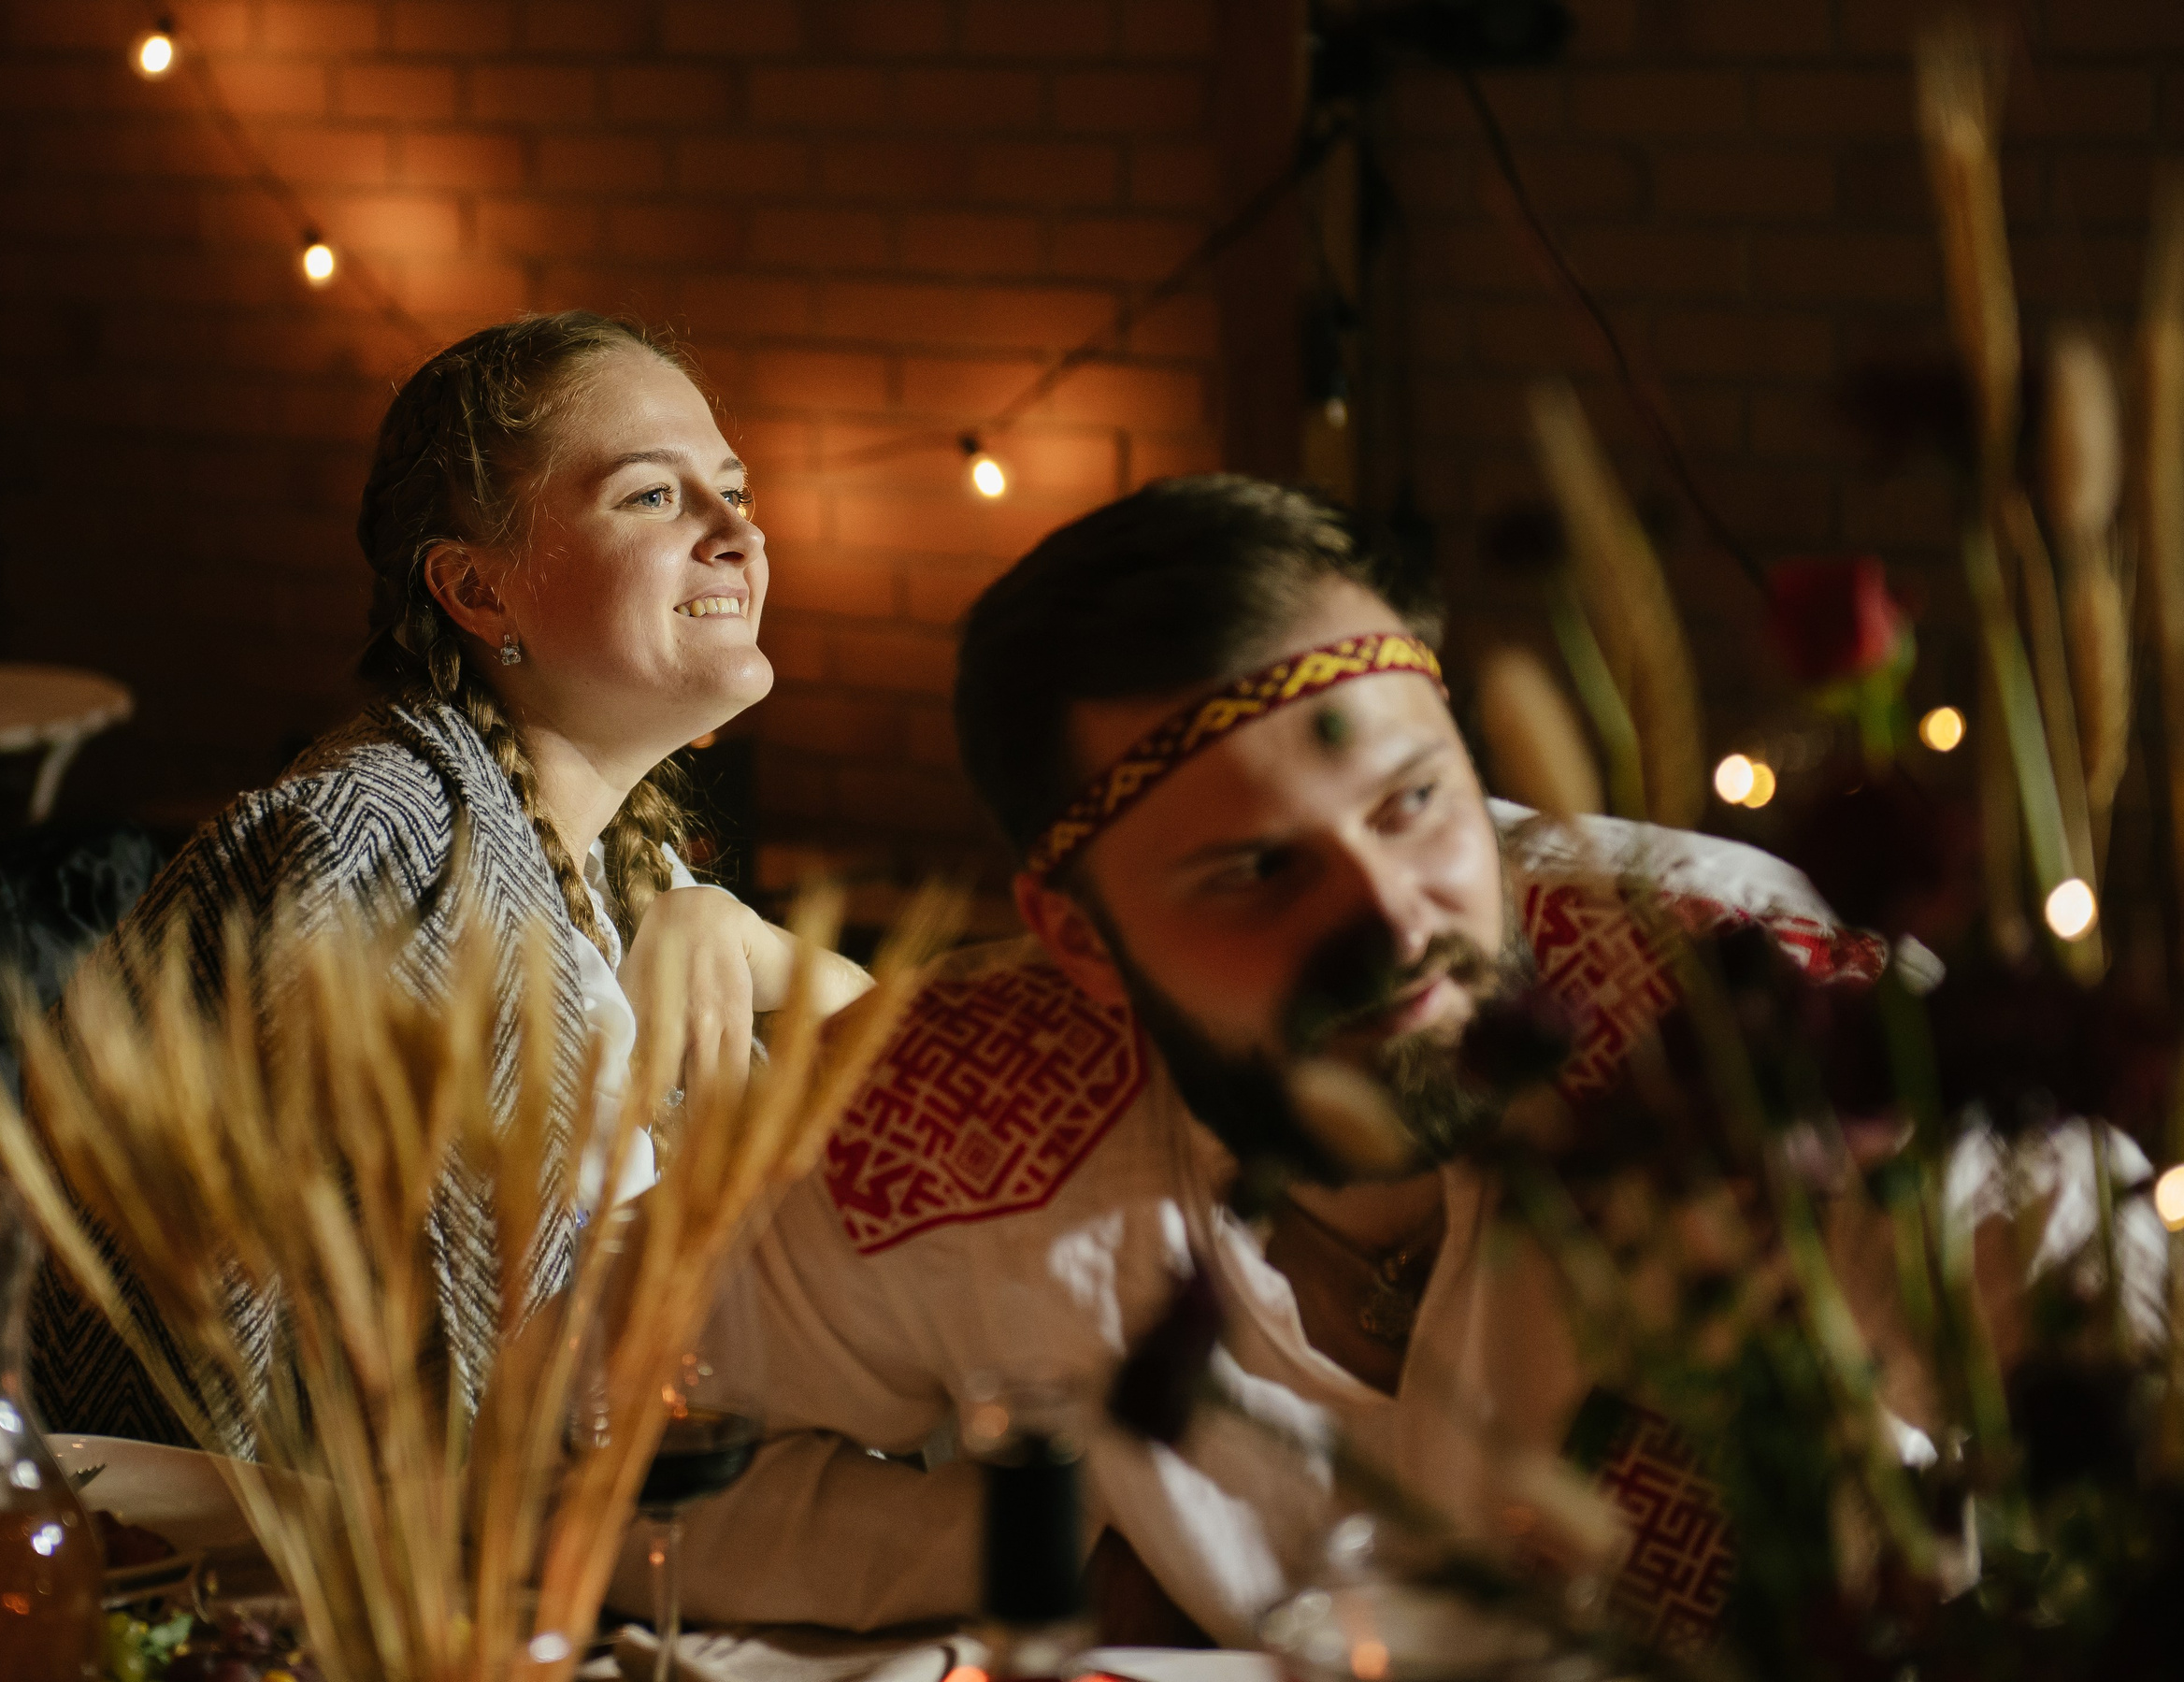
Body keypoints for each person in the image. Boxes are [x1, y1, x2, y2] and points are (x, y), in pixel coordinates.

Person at [609, 474, 1923, 1648]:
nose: (1397, 920)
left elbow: (2090, 1304)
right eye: (1256, 868)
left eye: (1414, 803)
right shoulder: (954, 1109)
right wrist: (1052, 1546)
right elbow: (578, 1456)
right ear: (1081, 936)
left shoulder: (1737, 1002)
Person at [34, 310, 870, 1445]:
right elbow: (412, 1391)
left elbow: (922, 1105)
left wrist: (751, 939)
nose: (736, 534)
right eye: (652, 497)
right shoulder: (379, 845)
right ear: (479, 594)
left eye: (736, 490)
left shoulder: (633, 868)